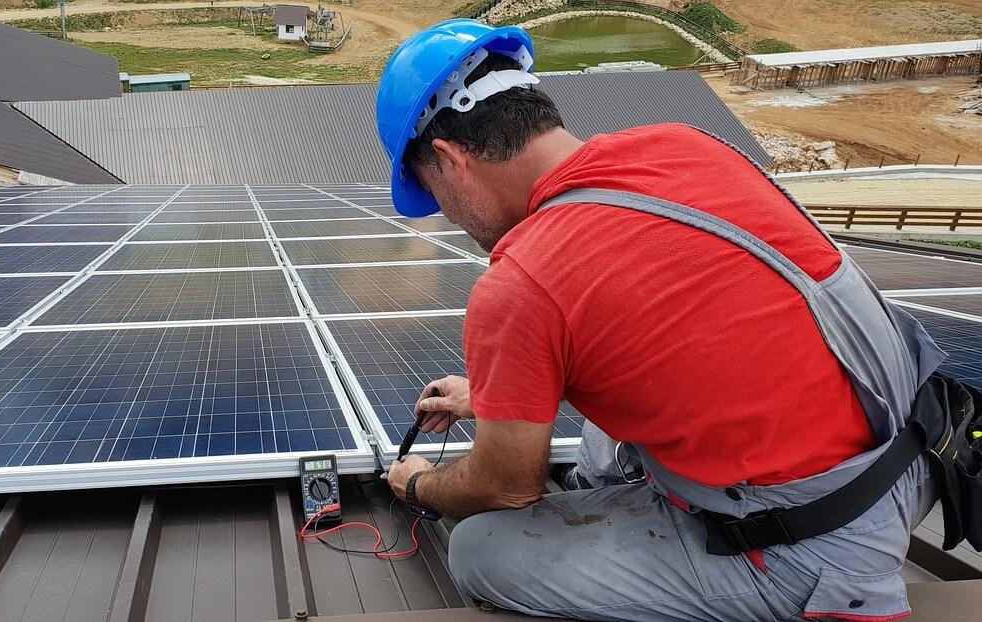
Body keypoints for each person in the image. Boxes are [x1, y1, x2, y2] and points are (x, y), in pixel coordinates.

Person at [377, 19, 945, 622]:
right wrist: (490, 395)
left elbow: (505, 488)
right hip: (910, 465)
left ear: (448, 158)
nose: (442, 214)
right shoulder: (686, 145)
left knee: (479, 550)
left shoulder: (520, 280)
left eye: (430, 193)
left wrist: (418, 484)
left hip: (814, 547)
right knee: (601, 437)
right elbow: (671, 328)